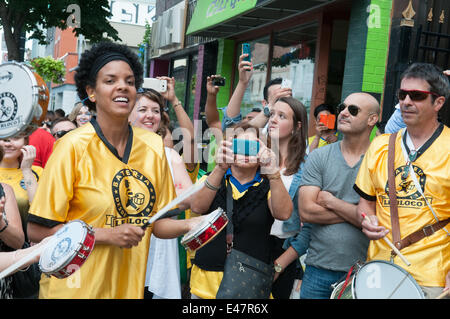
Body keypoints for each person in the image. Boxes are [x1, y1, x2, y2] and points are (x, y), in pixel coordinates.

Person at [26, 42, 201, 299]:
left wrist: (192, 224)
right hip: (73, 291)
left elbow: (157, 223)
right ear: (91, 91)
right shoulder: (71, 147)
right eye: (110, 80)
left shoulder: (153, 146)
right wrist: (105, 234)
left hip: (128, 289)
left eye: (129, 81)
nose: (122, 86)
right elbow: (37, 231)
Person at [355, 63, 450, 299]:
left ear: (438, 102)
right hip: (378, 270)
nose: (406, 102)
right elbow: (366, 202)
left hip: (432, 275)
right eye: (402, 95)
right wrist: (367, 220)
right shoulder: (380, 145)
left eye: (416, 96)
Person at [189, 122, 293, 299]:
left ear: (265, 151)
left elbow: (283, 214)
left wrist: (273, 171)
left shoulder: (270, 186)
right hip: (205, 283)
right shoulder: (213, 179)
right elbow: (197, 207)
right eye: (239, 146)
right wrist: (220, 167)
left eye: (252, 147)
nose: (245, 153)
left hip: (248, 285)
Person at [297, 92, 380, 299]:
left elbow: (379, 219)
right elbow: (306, 211)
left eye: (353, 110)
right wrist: (358, 214)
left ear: (372, 119)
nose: (343, 113)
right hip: (317, 268)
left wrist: (331, 201)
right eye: (342, 107)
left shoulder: (380, 161)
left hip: (363, 272)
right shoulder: (319, 156)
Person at [128, 85, 196, 299]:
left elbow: (189, 198)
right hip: (118, 242)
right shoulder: (112, 152)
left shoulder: (168, 154)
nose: (150, 115)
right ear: (128, 114)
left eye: (155, 110)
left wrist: (155, 205)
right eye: (143, 109)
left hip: (157, 243)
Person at [265, 96, 309, 299]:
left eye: (281, 116)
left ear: (296, 126)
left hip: (283, 251)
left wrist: (280, 264)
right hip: (252, 246)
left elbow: (309, 226)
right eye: (272, 114)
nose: (273, 119)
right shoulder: (258, 159)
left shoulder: (308, 168)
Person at [0, 136, 42, 239]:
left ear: (25, 142)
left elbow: (40, 212)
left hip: (31, 246)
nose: (8, 144)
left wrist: (26, 170)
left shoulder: (38, 172)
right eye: (3, 138)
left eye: (16, 138)